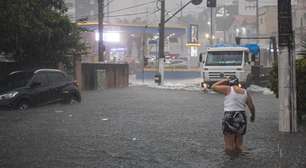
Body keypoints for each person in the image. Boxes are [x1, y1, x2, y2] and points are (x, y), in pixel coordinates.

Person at [211, 76, 255, 154]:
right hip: (241, 117)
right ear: (238, 83)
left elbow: (213, 87)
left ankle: (231, 163)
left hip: (230, 116)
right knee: (239, 145)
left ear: (229, 83)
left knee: (229, 146)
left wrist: (225, 80)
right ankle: (242, 161)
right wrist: (253, 116)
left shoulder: (228, 89)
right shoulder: (245, 91)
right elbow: (251, 106)